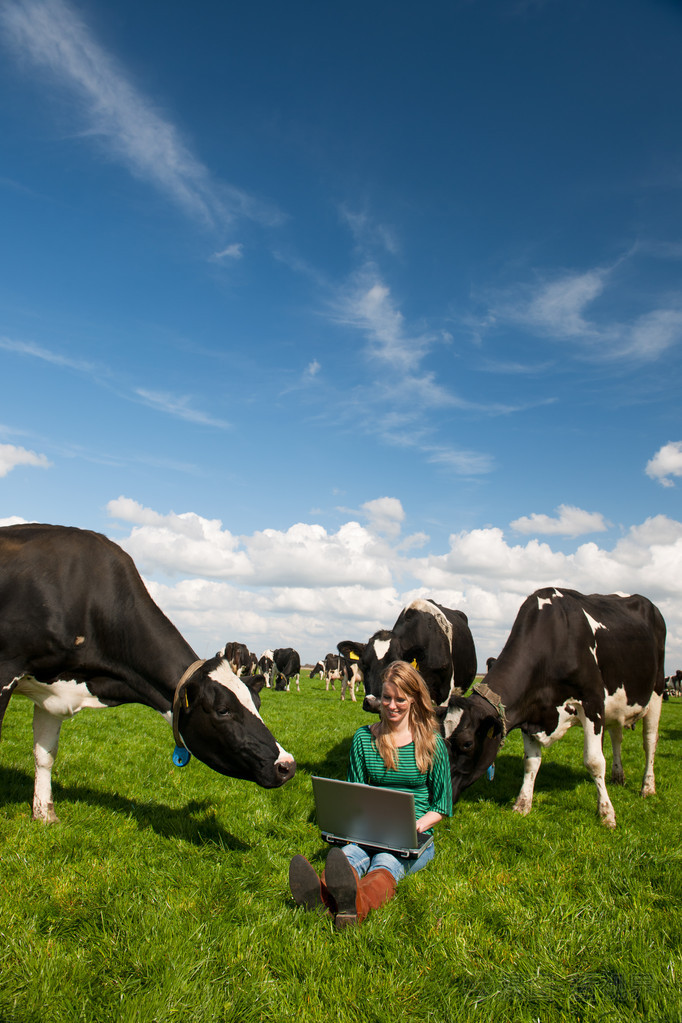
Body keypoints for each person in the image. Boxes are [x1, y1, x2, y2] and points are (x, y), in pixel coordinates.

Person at [289, 659, 452, 928]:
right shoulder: (364, 739)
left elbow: (442, 806)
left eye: (400, 699)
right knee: (349, 855)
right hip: (369, 831)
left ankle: (356, 905)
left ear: (413, 699)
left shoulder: (433, 744)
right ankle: (321, 897)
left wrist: (414, 827)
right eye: (386, 697)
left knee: (386, 861)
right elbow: (354, 792)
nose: (391, 705)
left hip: (412, 836)